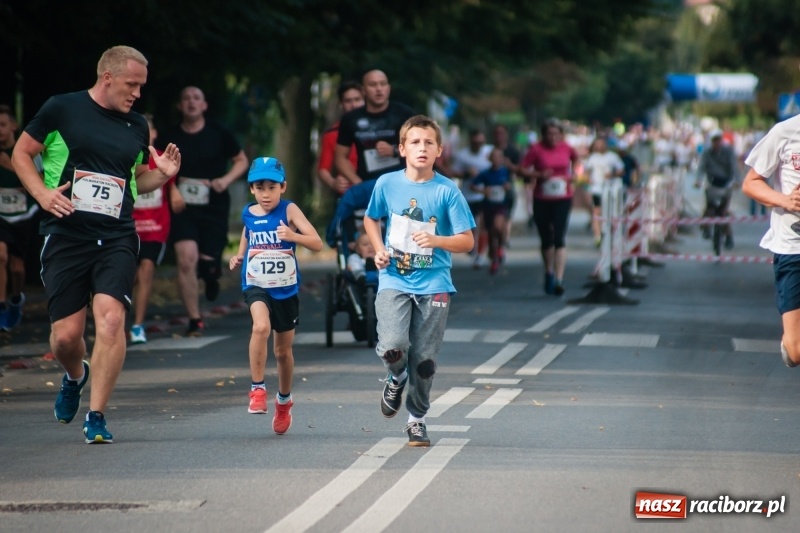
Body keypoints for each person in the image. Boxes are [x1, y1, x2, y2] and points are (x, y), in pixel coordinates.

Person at [11, 45, 181, 443]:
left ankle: (98, 415)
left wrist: (165, 174)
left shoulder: (137, 125)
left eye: (141, 86)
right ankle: (75, 375)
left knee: (109, 319)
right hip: (67, 235)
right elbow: (21, 153)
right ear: (107, 77)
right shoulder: (61, 108)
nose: (137, 93)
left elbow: (138, 183)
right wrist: (42, 194)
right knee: (67, 338)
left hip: (118, 237)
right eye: (131, 84)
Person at [362, 115, 475, 447]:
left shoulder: (447, 191)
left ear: (439, 150)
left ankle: (417, 420)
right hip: (394, 279)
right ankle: (396, 377)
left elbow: (467, 241)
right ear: (402, 148)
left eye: (428, 142)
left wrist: (438, 241)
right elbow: (371, 219)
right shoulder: (387, 184)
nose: (421, 148)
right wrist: (379, 250)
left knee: (424, 362)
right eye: (414, 142)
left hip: (435, 284)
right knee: (393, 346)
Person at [229, 156, 322, 435]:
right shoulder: (248, 212)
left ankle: (284, 401)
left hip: (286, 288)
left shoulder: (289, 210)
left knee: (282, 352)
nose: (266, 193)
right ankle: (257, 389)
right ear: (252, 189)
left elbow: (317, 243)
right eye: (260, 187)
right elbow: (248, 231)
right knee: (260, 326)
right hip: (256, 283)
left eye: (272, 187)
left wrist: (293, 237)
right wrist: (239, 255)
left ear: (283, 187)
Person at [156, 86, 248, 337]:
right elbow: (158, 167)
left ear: (204, 105)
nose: (191, 102)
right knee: (186, 259)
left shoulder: (218, 132)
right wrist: (172, 190)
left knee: (206, 265)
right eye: (186, 98)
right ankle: (194, 319)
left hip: (214, 205)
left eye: (196, 98)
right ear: (179, 106)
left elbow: (241, 161)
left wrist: (225, 180)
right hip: (182, 207)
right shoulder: (170, 136)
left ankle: (210, 274)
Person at [741, 114, 800, 368]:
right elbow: (751, 183)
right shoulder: (785, 132)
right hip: (792, 246)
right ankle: (790, 340)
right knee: (796, 352)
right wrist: (784, 200)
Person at [129, 114, 178, 344]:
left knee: (146, 270)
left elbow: (170, 185)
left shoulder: (161, 157)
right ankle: (118, 320)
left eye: (149, 129)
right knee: (127, 275)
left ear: (155, 133)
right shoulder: (127, 154)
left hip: (156, 226)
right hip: (129, 225)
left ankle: (138, 325)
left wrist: (177, 196)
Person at [519, 119, 580, 296]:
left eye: (556, 134)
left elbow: (577, 162)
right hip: (542, 198)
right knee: (547, 238)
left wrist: (574, 174)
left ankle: (559, 279)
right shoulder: (536, 149)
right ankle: (549, 272)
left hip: (563, 197)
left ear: (561, 135)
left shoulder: (567, 148)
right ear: (544, 135)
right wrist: (538, 174)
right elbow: (523, 169)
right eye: (549, 134)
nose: (553, 137)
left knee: (559, 237)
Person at [335, 69, 415, 186]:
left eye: (383, 84)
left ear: (388, 88)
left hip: (403, 183)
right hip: (369, 184)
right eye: (373, 85)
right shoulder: (351, 119)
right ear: (363, 91)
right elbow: (340, 158)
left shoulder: (405, 114)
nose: (379, 89)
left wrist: (394, 151)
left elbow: (421, 148)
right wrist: (359, 184)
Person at [0, 104, 40, 331]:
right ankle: (1, 307)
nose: (0, 130)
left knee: (16, 268)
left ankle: (16, 298)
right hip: (1, 216)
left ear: (13, 126)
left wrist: (13, 168)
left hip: (23, 215)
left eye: (3, 125)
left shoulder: (24, 152)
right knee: (1, 255)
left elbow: (40, 185)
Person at [450, 129, 492, 268]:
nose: (478, 145)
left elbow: (498, 166)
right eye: (476, 143)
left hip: (485, 195)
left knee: (483, 225)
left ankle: (480, 255)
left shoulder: (489, 152)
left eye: (481, 142)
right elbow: (454, 172)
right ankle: (473, 247)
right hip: (468, 195)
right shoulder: (463, 155)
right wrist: (466, 173)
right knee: (472, 225)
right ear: (471, 142)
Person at [317, 80, 364, 196]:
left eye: (357, 99)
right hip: (349, 194)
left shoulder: (379, 128)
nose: (353, 105)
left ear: (364, 101)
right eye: (348, 101)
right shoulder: (332, 134)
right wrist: (333, 183)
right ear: (341, 104)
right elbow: (323, 169)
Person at [471, 147, 512, 275]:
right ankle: (494, 259)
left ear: (502, 159)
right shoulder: (485, 173)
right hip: (488, 205)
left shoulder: (505, 172)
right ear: (490, 159)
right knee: (491, 233)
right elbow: (472, 185)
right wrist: (483, 191)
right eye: (493, 157)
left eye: (498, 157)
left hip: (500, 205)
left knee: (498, 227)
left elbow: (510, 184)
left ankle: (501, 246)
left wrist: (507, 187)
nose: (496, 159)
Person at [695, 129, 738, 248]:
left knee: (723, 212)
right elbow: (701, 167)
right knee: (709, 208)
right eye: (714, 140)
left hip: (726, 184)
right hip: (712, 183)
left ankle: (728, 236)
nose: (716, 143)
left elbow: (734, 167)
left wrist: (737, 181)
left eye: (718, 140)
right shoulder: (707, 152)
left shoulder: (728, 151)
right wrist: (698, 180)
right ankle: (705, 228)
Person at [584, 136, 624, 246]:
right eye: (598, 144)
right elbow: (586, 171)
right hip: (597, 188)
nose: (600, 146)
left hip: (610, 188)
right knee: (597, 211)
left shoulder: (613, 157)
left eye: (602, 144)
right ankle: (597, 235)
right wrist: (588, 179)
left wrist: (612, 174)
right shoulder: (593, 157)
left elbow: (621, 170)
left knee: (610, 212)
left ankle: (610, 233)